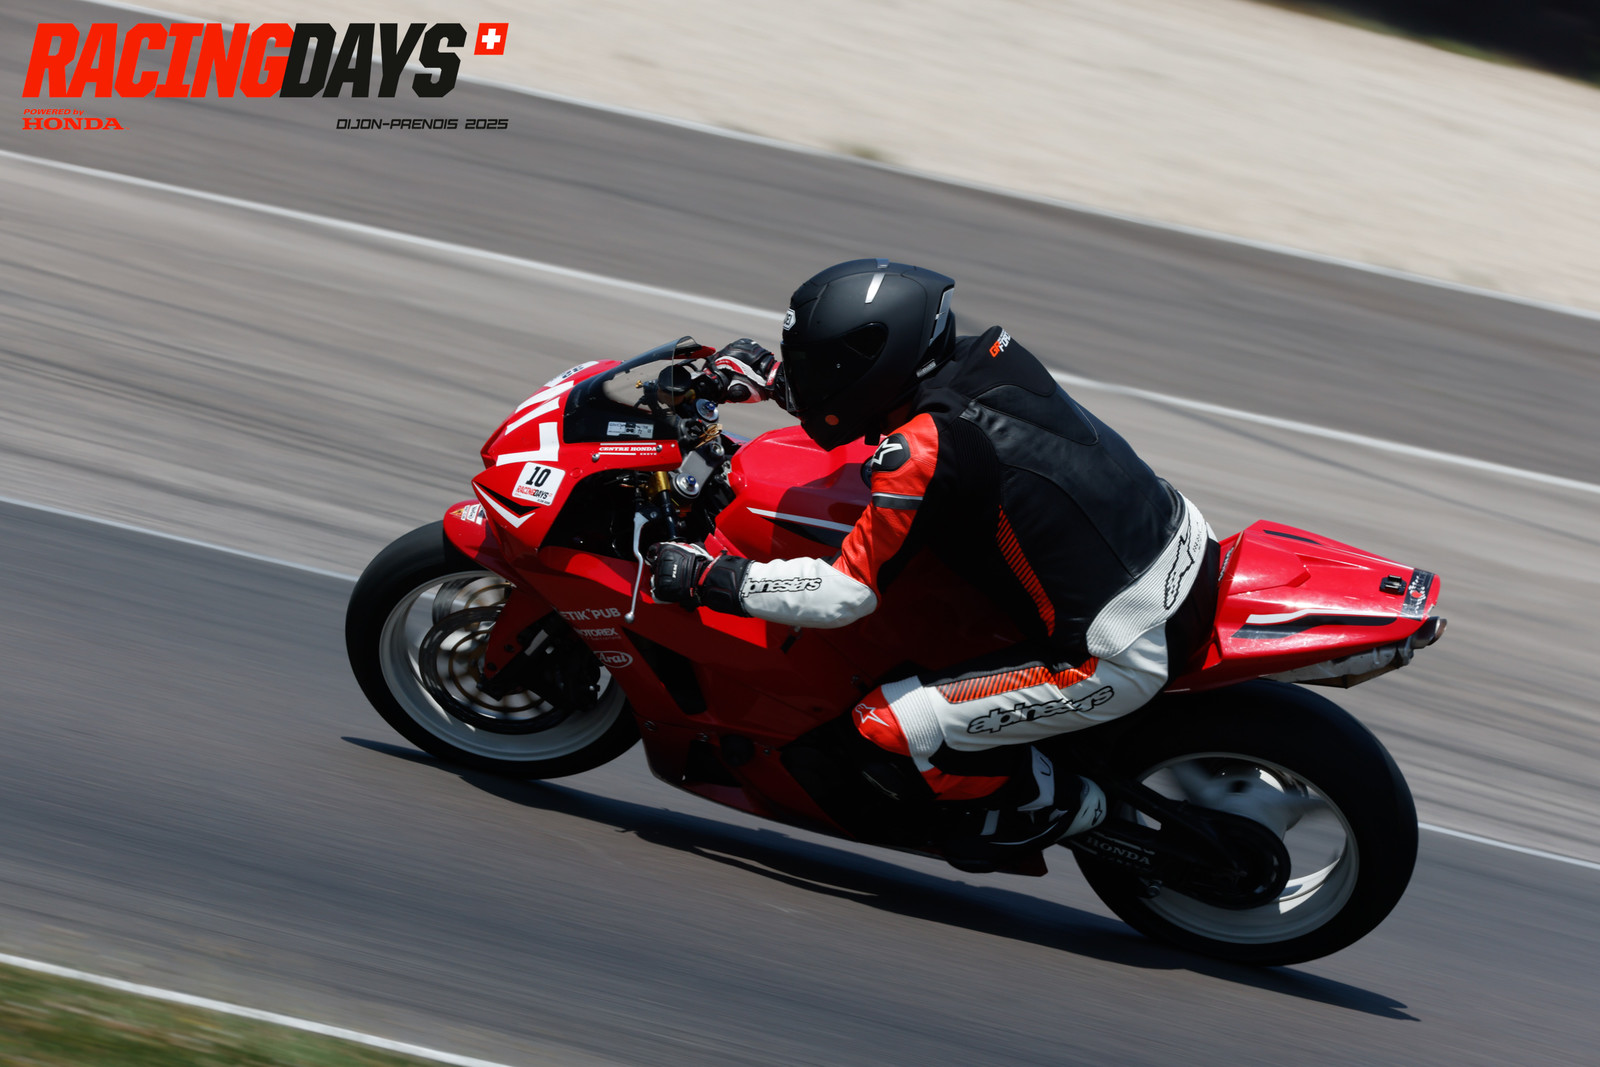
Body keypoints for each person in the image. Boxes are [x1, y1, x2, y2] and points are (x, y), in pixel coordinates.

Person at [651, 258, 1219, 871]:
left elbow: (841, 595)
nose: (812, 375)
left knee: (884, 725)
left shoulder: (920, 452)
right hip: (1179, 545)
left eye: (822, 365)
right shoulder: (988, 356)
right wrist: (779, 381)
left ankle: (1061, 806)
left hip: (1120, 646)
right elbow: (891, 398)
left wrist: (708, 578)